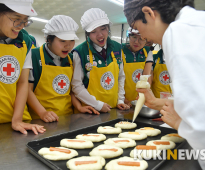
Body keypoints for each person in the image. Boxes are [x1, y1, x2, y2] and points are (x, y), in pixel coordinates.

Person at [124, 0, 205, 169]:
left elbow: (200, 127)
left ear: (149, 13)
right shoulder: (198, 23)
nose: (144, 39)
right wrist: (155, 103)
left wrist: (180, 124)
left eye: (138, 28)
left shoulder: (178, 31)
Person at [0, 0, 46, 151]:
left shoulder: (26, 40)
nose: (21, 26)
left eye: (25, 21)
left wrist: (17, 120)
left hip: (16, 121)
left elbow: (23, 82)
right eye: (16, 19)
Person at [27, 15, 99, 123]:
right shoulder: (33, 56)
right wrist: (42, 112)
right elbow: (26, 90)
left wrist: (79, 107)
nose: (68, 46)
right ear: (48, 39)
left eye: (71, 40)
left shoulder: (71, 59)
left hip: (67, 118)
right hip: (40, 120)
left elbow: (71, 90)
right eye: (62, 41)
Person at [72, 8, 130, 113]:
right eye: (93, 31)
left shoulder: (117, 48)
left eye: (103, 29)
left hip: (113, 109)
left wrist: (120, 100)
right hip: (90, 110)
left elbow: (120, 77)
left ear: (108, 28)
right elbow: (76, 85)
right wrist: (97, 104)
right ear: (88, 34)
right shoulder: (80, 52)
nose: (100, 35)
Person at [122, 27, 154, 106]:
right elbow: (117, 79)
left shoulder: (147, 52)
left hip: (138, 98)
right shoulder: (120, 50)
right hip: (121, 98)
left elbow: (146, 77)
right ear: (129, 36)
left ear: (146, 40)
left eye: (141, 39)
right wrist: (122, 99)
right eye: (134, 37)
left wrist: (142, 96)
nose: (136, 42)